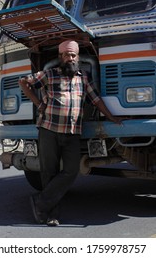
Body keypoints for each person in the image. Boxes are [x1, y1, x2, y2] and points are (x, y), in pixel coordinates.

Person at [19, 40, 123, 226]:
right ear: (61, 57)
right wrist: (39, 104)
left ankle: (40, 203)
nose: (70, 58)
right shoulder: (49, 74)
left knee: (71, 171)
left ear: (77, 57)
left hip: (73, 132)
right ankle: (51, 215)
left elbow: (96, 100)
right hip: (49, 130)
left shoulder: (83, 78)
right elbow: (23, 82)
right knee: (49, 173)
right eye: (66, 55)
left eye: (73, 55)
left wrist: (111, 117)